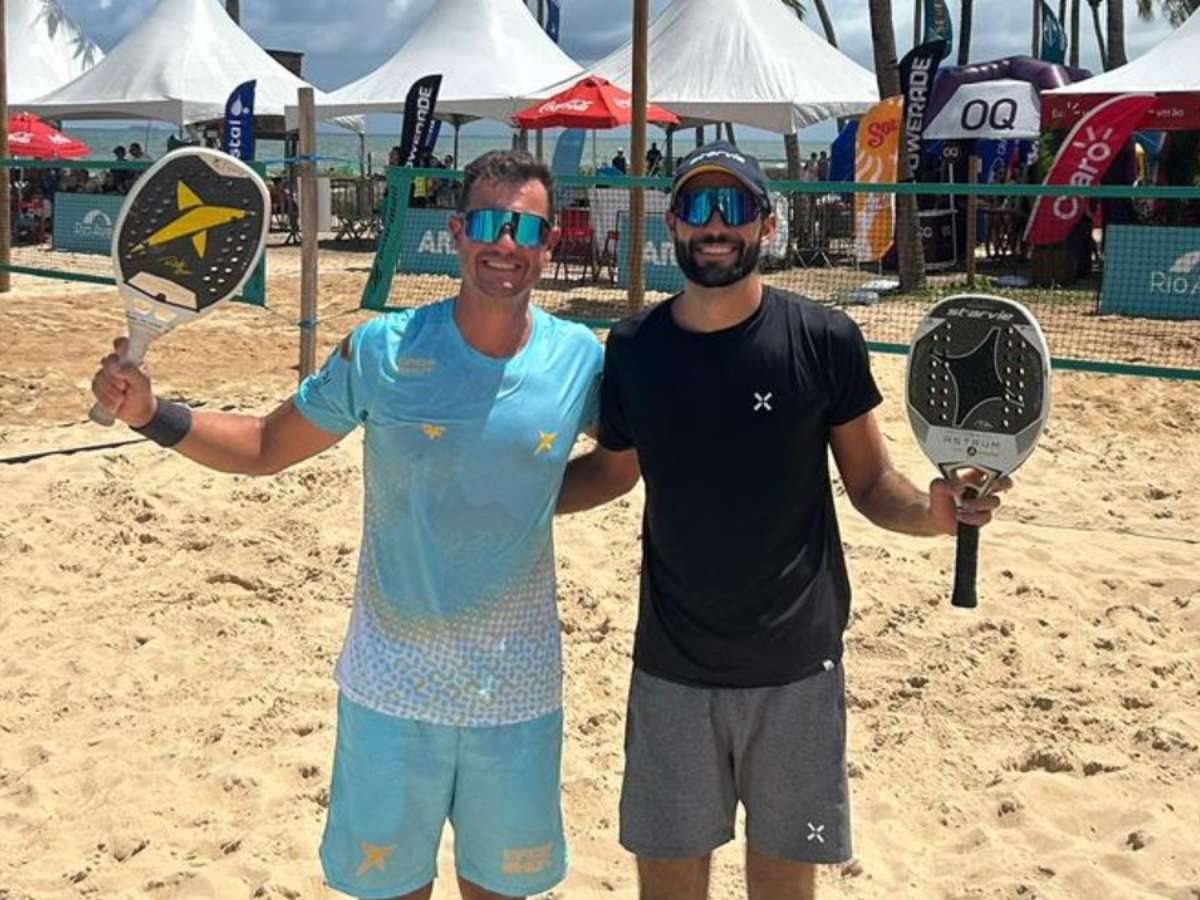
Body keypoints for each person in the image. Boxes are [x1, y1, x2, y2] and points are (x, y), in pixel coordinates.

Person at [91, 150, 604, 900]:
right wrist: (151, 414)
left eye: (526, 227)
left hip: (516, 694)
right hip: (391, 688)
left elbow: (621, 466)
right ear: (457, 232)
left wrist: (519, 500)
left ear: (549, 242)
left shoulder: (579, 359)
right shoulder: (383, 350)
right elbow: (265, 446)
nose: (506, 243)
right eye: (490, 223)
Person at [556, 141, 1010, 900]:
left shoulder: (824, 339)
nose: (716, 225)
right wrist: (507, 495)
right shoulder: (634, 347)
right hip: (671, 667)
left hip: (796, 666)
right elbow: (612, 469)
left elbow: (872, 483)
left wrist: (935, 517)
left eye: (734, 206)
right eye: (698, 206)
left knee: (785, 888)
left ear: (767, 223)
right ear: (672, 222)